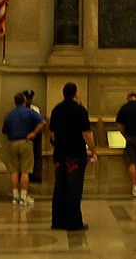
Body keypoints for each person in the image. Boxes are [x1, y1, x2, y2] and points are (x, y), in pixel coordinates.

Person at [48, 82, 97, 231]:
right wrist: (93, 151)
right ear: (75, 93)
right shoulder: (80, 110)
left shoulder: (56, 109)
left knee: (60, 186)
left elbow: (52, 133)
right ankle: (73, 222)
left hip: (59, 154)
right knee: (74, 188)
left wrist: (58, 145)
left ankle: (58, 221)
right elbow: (86, 133)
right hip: (75, 154)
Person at [2, 92, 45, 206]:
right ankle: (23, 196)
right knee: (25, 170)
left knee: (14, 171)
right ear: (24, 101)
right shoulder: (29, 112)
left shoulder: (10, 115)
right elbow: (42, 122)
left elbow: (4, 131)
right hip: (25, 142)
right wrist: (34, 133)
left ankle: (15, 196)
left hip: (12, 142)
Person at [24, 89, 44, 183]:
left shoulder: (35, 109)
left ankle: (35, 175)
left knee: (35, 155)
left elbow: (40, 121)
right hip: (24, 133)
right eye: (27, 98)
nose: (29, 100)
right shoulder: (21, 108)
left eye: (30, 98)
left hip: (34, 134)